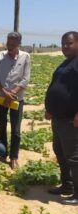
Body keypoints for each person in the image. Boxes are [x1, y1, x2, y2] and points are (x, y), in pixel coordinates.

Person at [45, 31, 78, 205]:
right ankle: (67, 185)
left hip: (70, 120)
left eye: (69, 43)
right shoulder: (66, 63)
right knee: (60, 152)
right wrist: (50, 108)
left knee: (73, 156)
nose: (65, 46)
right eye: (63, 43)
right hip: (58, 118)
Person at [0, 31, 31, 169]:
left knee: (15, 129)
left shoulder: (25, 57)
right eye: (8, 44)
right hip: (2, 98)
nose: (9, 46)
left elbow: (25, 79)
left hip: (17, 99)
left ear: (18, 44)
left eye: (13, 45)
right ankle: (3, 154)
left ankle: (14, 157)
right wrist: (4, 93)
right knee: (2, 126)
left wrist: (13, 93)